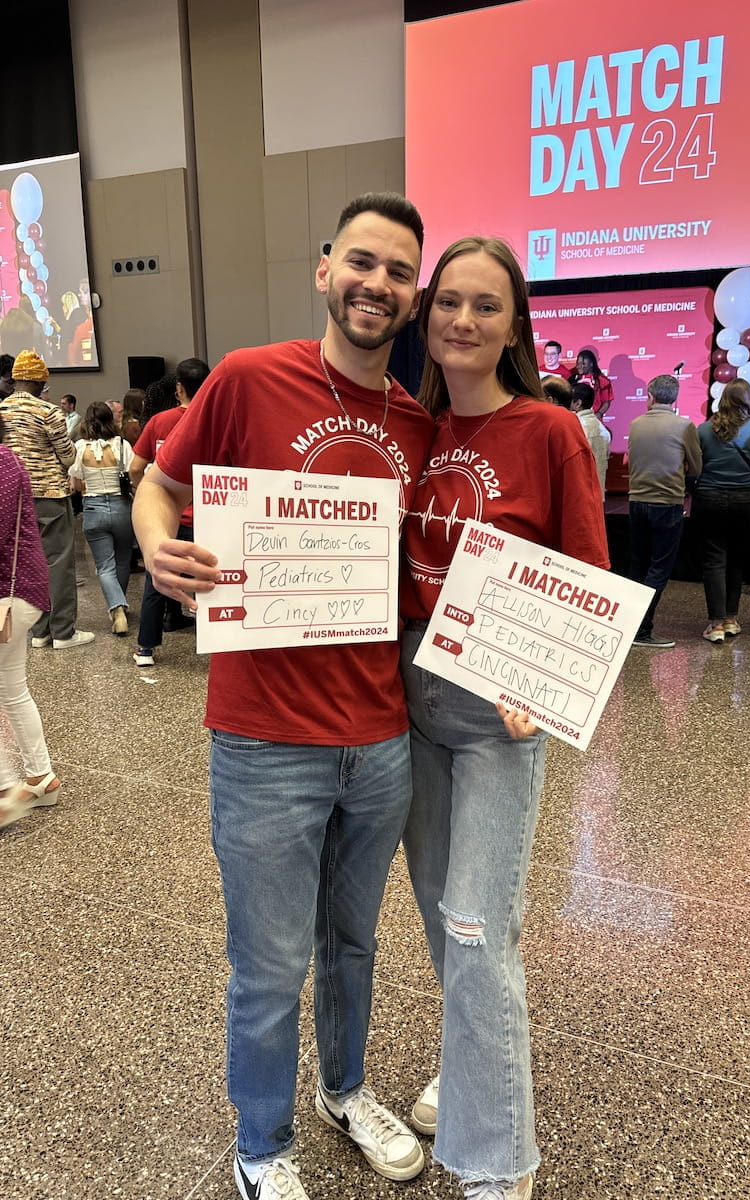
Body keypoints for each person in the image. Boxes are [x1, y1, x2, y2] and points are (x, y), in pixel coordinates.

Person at [132, 192, 434, 1200]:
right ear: (325, 269)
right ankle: (261, 1145)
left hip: (380, 737)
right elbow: (159, 483)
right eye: (363, 262)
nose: (377, 284)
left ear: (413, 296)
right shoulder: (250, 378)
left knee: (352, 946)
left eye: (399, 272)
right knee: (267, 968)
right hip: (264, 740)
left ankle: (343, 1091)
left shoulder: (416, 421)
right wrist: (156, 548)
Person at [400, 236, 610, 1200]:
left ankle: (497, 1167)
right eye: (449, 301)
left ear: (515, 325)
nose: (463, 320)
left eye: (486, 305)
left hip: (496, 710)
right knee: (442, 919)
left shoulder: (549, 431)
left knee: (478, 926)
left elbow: (588, 573)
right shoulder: (413, 429)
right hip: (407, 694)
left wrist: (548, 681)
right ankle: (475, 1068)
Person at [0, 350, 93, 650]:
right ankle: (63, 632)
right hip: (49, 494)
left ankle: (39, 632)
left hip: (11, 496)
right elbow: (67, 456)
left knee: (25, 564)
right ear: (40, 383)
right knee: (59, 563)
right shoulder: (48, 412)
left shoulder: (2, 410)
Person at [0, 414, 60, 829]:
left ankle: (6, 790)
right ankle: (41, 778)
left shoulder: (2, 462)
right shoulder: (8, 458)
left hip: (9, 591)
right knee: (12, 688)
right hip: (20, 591)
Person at [129, 359, 211, 664]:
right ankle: (224, 646)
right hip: (211, 516)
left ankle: (145, 648)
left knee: (158, 576)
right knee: (215, 578)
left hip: (170, 517)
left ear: (178, 388)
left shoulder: (159, 421)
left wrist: (150, 498)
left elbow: (135, 468)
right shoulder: (216, 420)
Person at [692, 378, 750, 642]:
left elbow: (693, 470)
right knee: (737, 560)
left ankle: (715, 624)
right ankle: (730, 619)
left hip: (709, 499)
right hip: (746, 501)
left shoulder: (703, 430)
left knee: (713, 559)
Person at [626, 373, 701, 648]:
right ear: (675, 398)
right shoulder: (685, 426)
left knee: (638, 565)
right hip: (668, 503)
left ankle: (630, 624)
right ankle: (642, 630)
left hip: (636, 501)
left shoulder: (635, 424)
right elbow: (696, 467)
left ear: (651, 396)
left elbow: (631, 460)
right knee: (659, 567)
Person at [69, 401, 135, 637]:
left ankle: (117, 608)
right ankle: (120, 602)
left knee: (105, 566)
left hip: (94, 508)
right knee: (123, 561)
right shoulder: (122, 445)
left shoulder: (79, 447)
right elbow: (133, 472)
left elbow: (76, 482)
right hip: (121, 507)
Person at [570, 380, 610, 495]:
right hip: (597, 495)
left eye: (568, 400)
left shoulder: (576, 428)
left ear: (578, 403)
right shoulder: (603, 429)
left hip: (579, 495)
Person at [568, 346, 613, 416]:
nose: (579, 366)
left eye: (583, 363)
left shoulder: (602, 380)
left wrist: (599, 413)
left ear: (591, 364)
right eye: (578, 363)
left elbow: (606, 402)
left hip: (593, 418)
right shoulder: (572, 378)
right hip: (574, 418)